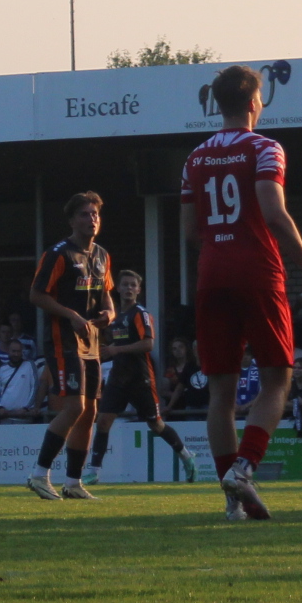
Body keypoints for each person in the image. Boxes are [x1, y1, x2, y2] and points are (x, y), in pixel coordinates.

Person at [181, 64, 302, 521]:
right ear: (255, 103)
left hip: (211, 273)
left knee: (221, 391)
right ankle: (245, 468)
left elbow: (189, 231)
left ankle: (233, 502)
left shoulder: (195, 158)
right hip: (257, 272)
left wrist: (220, 244)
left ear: (217, 104)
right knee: (276, 378)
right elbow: (274, 213)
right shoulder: (266, 148)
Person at [24, 192, 115, 500]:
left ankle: (73, 482)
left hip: (91, 342)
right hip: (63, 340)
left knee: (89, 412)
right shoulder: (58, 254)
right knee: (75, 406)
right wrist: (71, 315)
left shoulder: (101, 255)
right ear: (72, 220)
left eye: (95, 214)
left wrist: (109, 313)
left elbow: (106, 294)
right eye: (85, 214)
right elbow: (37, 295)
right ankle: (39, 475)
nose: (92, 219)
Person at [87, 270, 193, 483]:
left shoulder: (140, 314)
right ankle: (93, 471)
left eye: (132, 285)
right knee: (103, 421)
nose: (128, 288)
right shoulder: (116, 317)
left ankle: (186, 456)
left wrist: (116, 349)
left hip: (140, 378)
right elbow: (119, 344)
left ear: (138, 290)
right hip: (118, 378)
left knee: (155, 424)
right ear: (118, 288)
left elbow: (148, 344)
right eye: (125, 284)